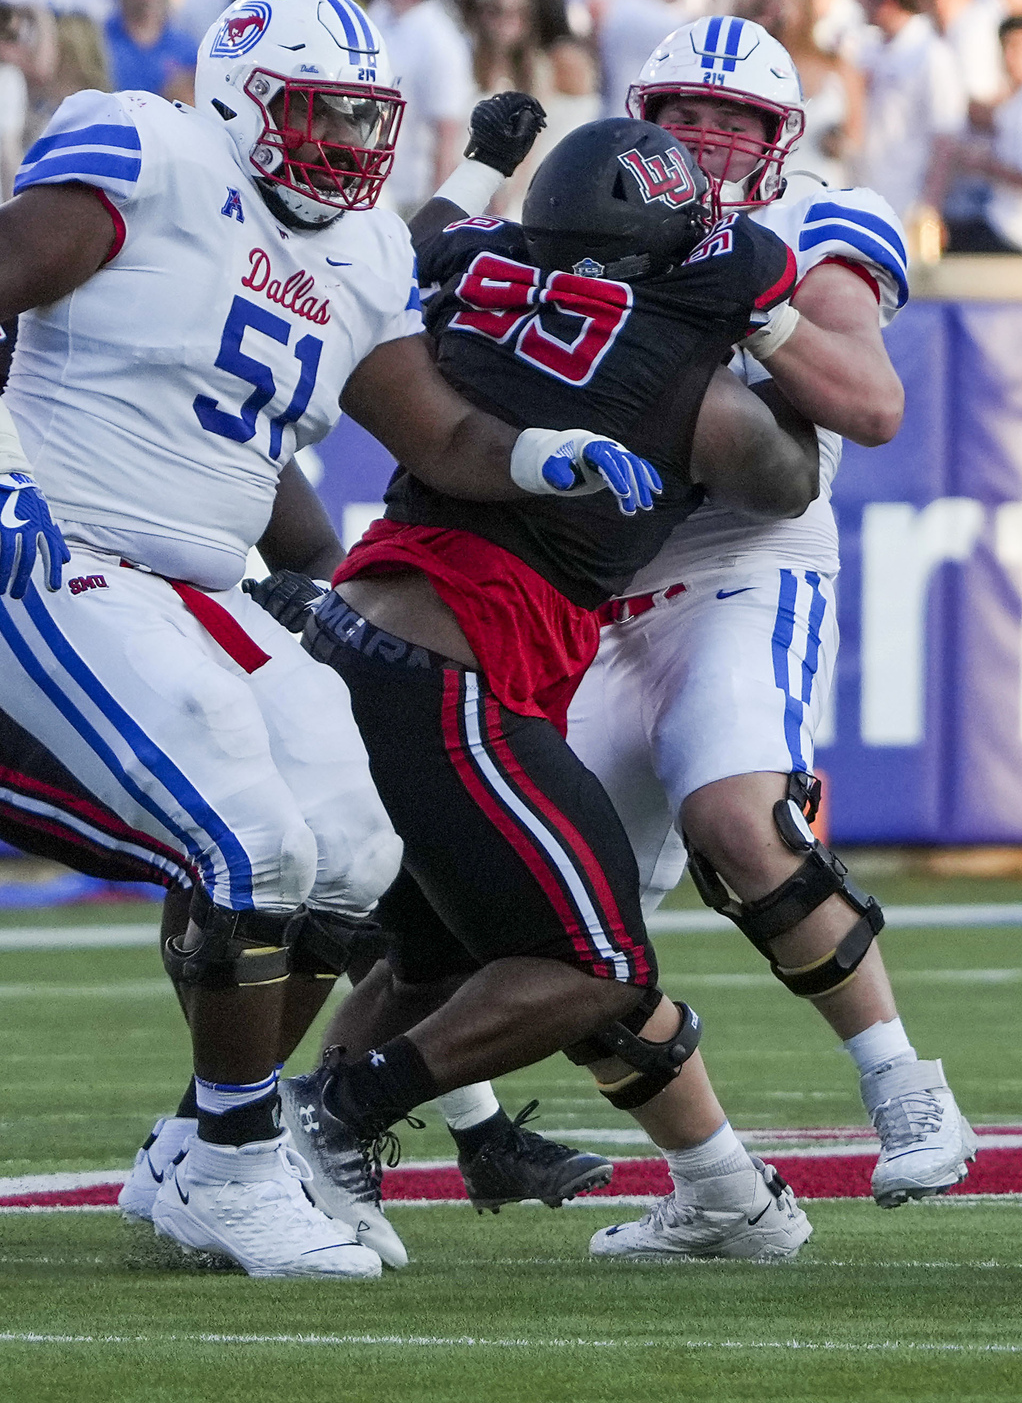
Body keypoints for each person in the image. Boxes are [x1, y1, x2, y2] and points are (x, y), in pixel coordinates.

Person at [0, 0, 668, 1276]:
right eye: (320, 115)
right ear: (243, 102)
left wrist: (546, 451)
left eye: (366, 119)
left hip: (205, 588)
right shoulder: (152, 155)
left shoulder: (360, 248)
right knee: (251, 840)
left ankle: (202, 1145)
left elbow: (442, 432)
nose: (349, 147)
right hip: (66, 553)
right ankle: (242, 1164)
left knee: (357, 843)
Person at [282, 116, 831, 1267]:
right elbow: (793, 477)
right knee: (597, 968)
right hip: (454, 674)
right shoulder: (697, 391)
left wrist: (483, 170)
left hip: (360, 631)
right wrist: (761, 324)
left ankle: (254, 1142)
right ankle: (329, 1119)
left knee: (430, 957)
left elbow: (421, 239)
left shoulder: (467, 281)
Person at [565, 20, 973, 1203]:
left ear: (777, 139)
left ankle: (903, 1082)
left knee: (740, 821)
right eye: (683, 113)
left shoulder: (816, 222)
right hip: (588, 589)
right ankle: (719, 1190)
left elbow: (871, 401)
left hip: (745, 559)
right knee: (542, 911)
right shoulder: (583, 209)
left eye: (731, 120)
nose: (703, 137)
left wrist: (752, 305)